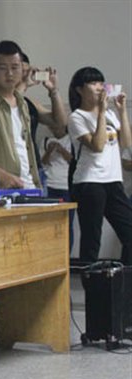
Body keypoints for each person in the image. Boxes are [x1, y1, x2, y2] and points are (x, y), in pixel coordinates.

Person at [67, 67, 132, 265]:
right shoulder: (77, 117)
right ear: (79, 89)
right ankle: (91, 283)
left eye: (101, 83)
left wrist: (122, 111)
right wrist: (101, 112)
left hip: (113, 181)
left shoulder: (111, 114)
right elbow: (97, 145)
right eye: (93, 83)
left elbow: (126, 143)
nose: (99, 87)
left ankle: (123, 280)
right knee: (92, 238)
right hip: (90, 183)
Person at [0, 40, 41, 189]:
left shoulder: (22, 103)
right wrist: (2, 175)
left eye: (15, 67)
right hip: (0, 188)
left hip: (30, 184)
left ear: (23, 69)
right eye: (2, 68)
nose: (10, 73)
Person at [17, 52, 67, 190]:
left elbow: (60, 123)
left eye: (27, 71)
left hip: (34, 169)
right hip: (10, 170)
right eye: (21, 71)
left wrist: (53, 90)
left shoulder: (29, 103)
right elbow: (8, 108)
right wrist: (23, 85)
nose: (26, 75)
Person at [41, 134, 74, 249]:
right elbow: (42, 162)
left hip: (66, 187)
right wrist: (49, 151)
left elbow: (74, 161)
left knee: (67, 223)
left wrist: (62, 150)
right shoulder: (45, 140)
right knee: (49, 223)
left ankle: (67, 254)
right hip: (50, 185)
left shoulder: (71, 139)